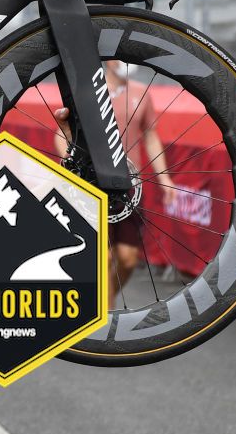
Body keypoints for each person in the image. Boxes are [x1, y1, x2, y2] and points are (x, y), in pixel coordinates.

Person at [55, 60, 176, 307]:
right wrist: (71, 162)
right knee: (103, 257)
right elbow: (61, 134)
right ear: (108, 60)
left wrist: (164, 178)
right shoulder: (88, 91)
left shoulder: (142, 92)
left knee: (128, 258)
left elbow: (151, 136)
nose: (126, 62)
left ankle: (100, 301)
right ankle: (106, 322)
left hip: (129, 187)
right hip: (92, 182)